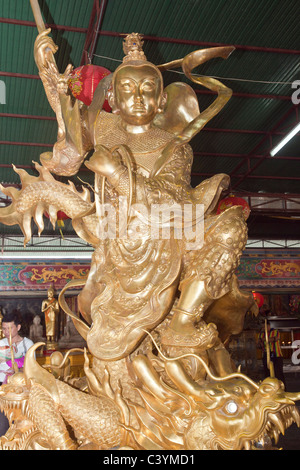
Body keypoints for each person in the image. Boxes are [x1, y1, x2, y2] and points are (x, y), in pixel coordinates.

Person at [0, 312, 34, 435]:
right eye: (3, 328)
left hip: (21, 388)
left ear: (18, 327)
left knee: (20, 421)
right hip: (2, 387)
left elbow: (32, 367)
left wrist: (18, 370)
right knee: (3, 422)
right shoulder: (1, 344)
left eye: (9, 328)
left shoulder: (27, 344)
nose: (6, 331)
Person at [257, 321, 286, 386]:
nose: (263, 328)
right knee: (267, 374)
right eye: (262, 327)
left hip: (276, 355)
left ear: (268, 326)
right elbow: (259, 345)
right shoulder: (261, 334)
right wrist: (259, 344)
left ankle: (282, 388)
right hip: (266, 355)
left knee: (278, 373)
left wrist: (262, 339)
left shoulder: (275, 332)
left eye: (264, 326)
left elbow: (275, 339)